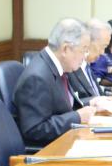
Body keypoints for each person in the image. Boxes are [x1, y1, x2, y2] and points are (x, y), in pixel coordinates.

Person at [13, 18, 98, 146]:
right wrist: (77, 117)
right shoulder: (37, 77)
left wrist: (89, 103)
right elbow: (35, 129)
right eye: (83, 50)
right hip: (49, 149)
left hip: (65, 139)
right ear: (66, 49)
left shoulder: (57, 67)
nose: (85, 56)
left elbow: (62, 107)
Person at [69, 19, 110, 102]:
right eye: (103, 46)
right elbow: (70, 103)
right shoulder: (69, 67)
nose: (102, 52)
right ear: (88, 42)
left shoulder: (87, 65)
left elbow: (96, 93)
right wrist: (94, 102)